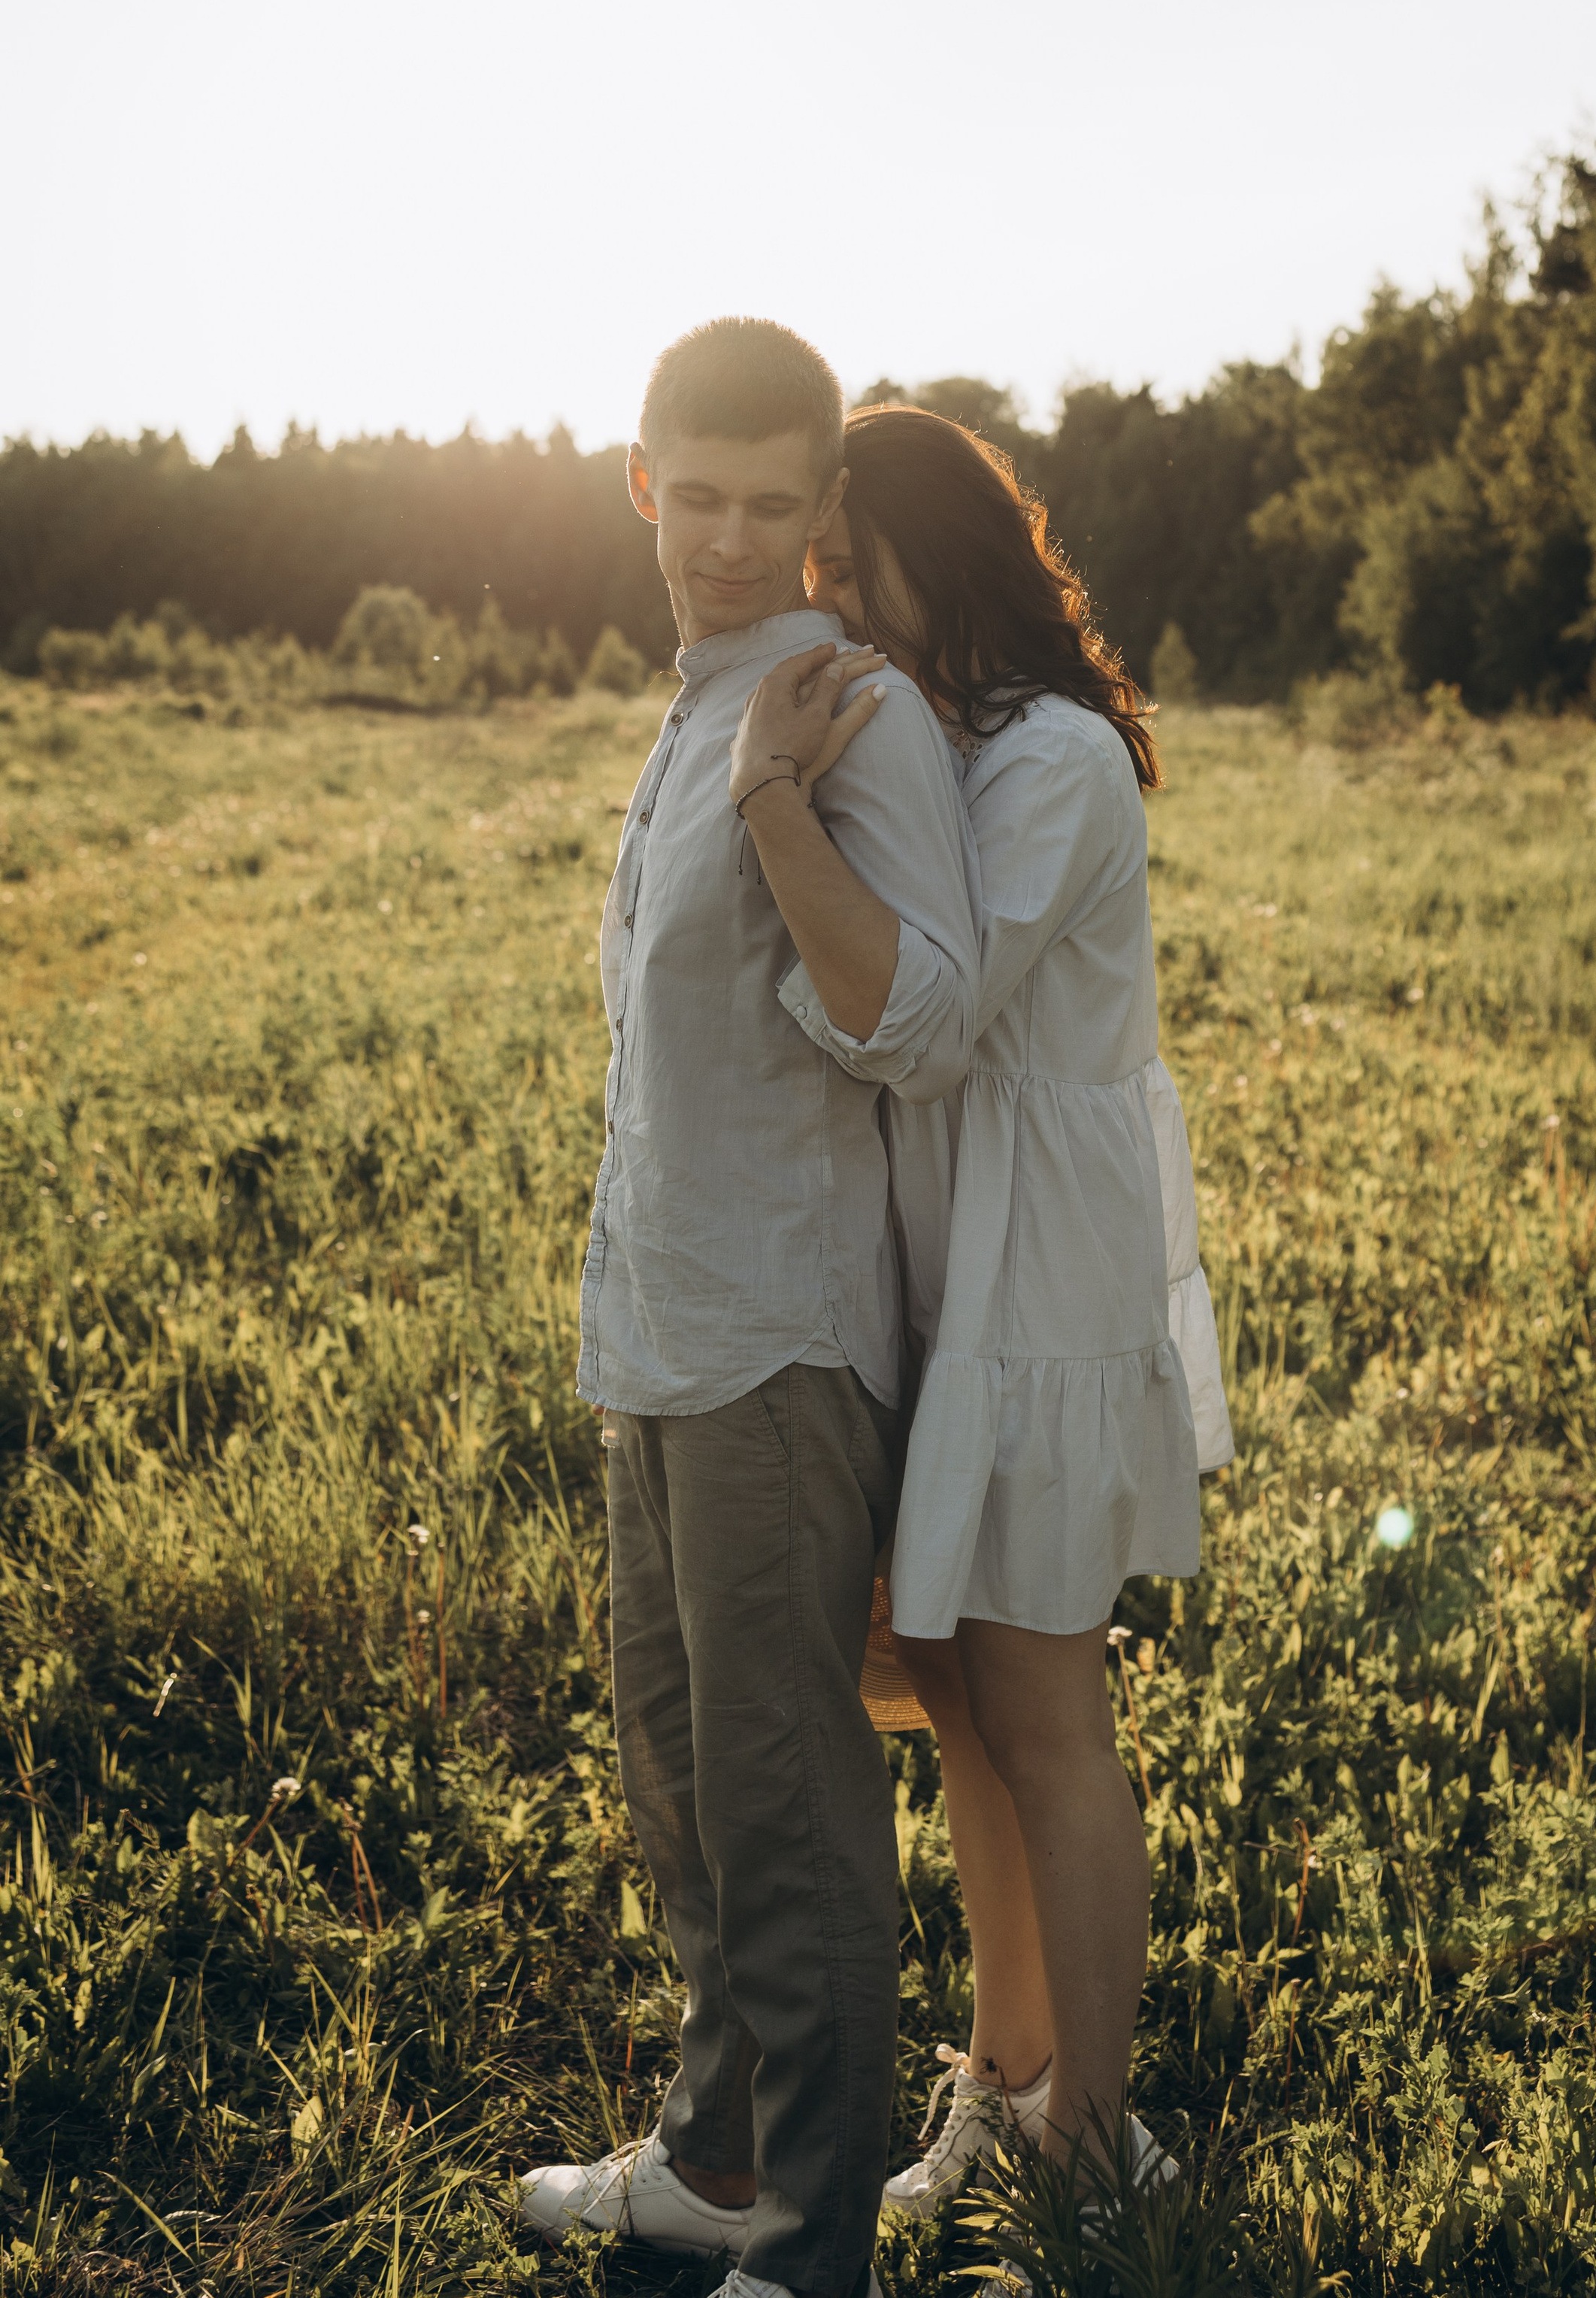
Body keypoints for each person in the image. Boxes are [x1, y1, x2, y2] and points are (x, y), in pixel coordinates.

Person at [516, 323, 979, 2298]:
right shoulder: (704, 704)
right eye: (692, 494)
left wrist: (790, 806)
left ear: (823, 511)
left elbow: (926, 1016)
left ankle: (806, 2251)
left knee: (784, 1806)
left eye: (769, 504)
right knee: (684, 1776)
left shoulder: (839, 711)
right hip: (661, 1331)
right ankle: (713, 2158)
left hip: (780, 1345)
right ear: (640, 480)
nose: (722, 535)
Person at [801, 405, 1234, 2205]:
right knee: (962, 1696)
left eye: (845, 562)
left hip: (1039, 1273)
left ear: (928, 549)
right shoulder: (958, 736)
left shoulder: (1047, 755)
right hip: (954, 1255)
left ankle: (1087, 2140)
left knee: (1045, 1713)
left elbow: (934, 1010)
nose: (833, 599)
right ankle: (1002, 2069)